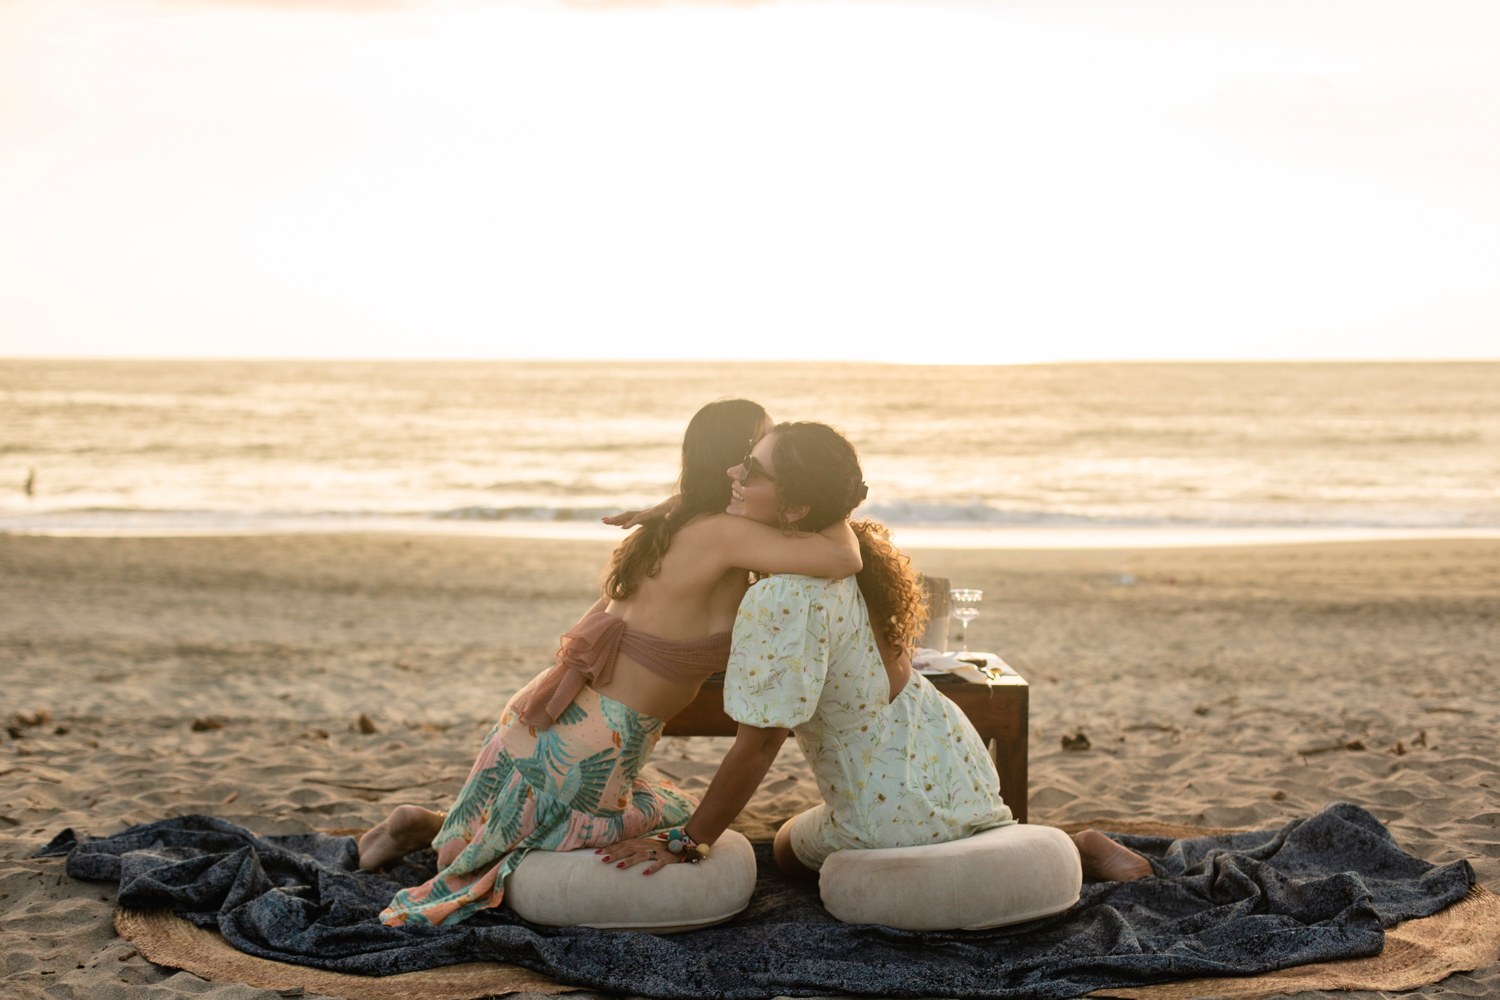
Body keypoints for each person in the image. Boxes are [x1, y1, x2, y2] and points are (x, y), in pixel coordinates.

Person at [360, 400, 864, 926]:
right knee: (678, 811)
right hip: (588, 753)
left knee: (517, 818)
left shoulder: (670, 525)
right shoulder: (725, 534)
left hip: (538, 717)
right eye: (751, 456)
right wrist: (835, 499)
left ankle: (428, 824)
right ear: (729, 465)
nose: (746, 469)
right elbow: (843, 557)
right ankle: (443, 836)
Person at [599, 422, 1152, 884]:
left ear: (795, 508)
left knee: (786, 847)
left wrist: (689, 841)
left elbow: (761, 744)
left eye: (752, 471)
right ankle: (1073, 846)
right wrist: (683, 505)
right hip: (956, 766)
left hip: (882, 821)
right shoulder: (845, 555)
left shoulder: (782, 595)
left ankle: (1061, 852)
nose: (733, 474)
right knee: (966, 837)